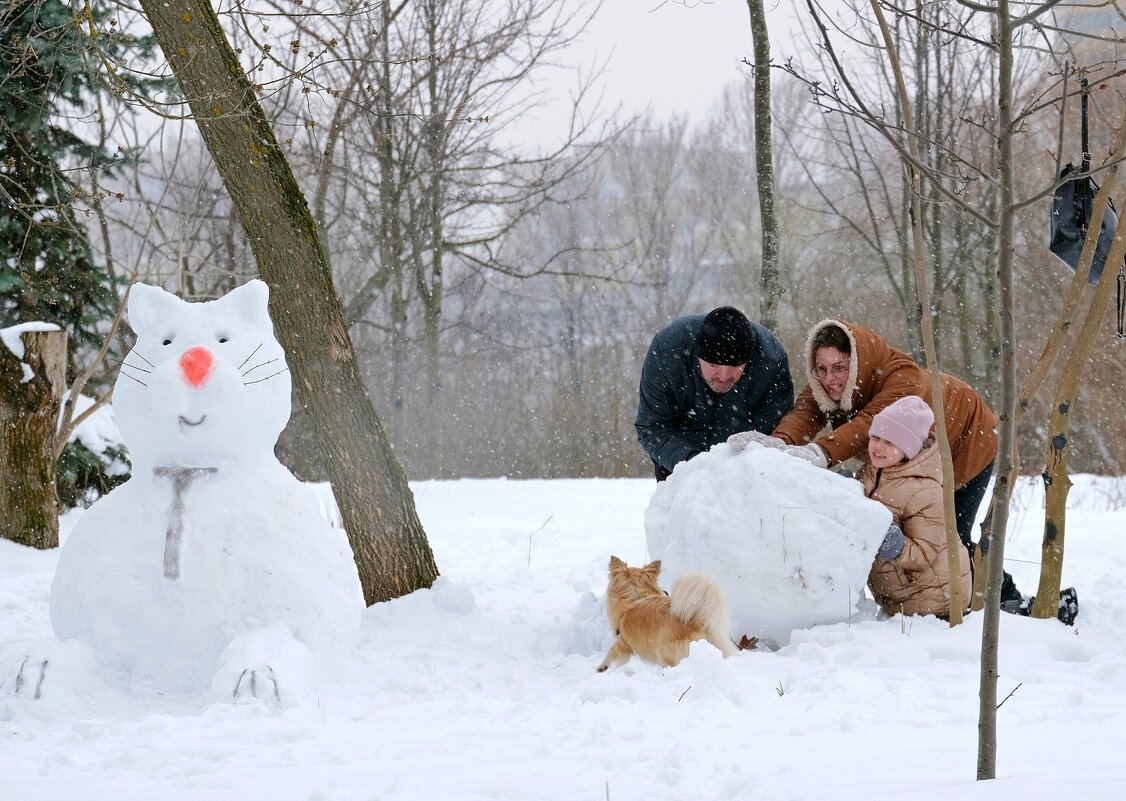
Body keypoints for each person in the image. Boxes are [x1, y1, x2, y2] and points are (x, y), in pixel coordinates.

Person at [635, 306, 794, 481]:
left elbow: (772, 435)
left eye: (734, 366)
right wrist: (692, 464)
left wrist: (736, 467)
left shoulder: (771, 361)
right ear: (697, 356)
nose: (724, 377)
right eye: (713, 366)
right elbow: (652, 428)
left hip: (746, 469)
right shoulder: (667, 352)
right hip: (679, 464)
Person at [859, 396, 971, 619]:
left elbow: (922, 554)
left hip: (934, 599)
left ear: (908, 449)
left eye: (890, 442)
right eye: (876, 437)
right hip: (898, 595)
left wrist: (891, 540)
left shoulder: (924, 491)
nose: (878, 447)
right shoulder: (870, 473)